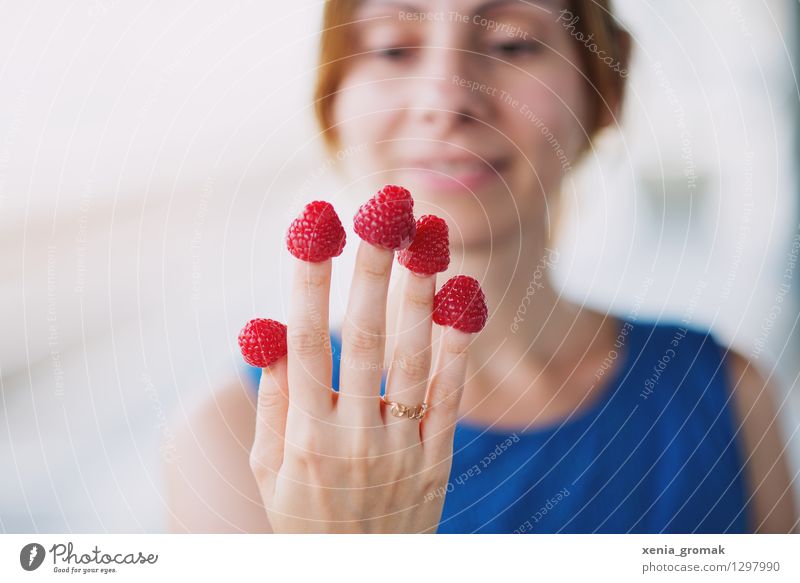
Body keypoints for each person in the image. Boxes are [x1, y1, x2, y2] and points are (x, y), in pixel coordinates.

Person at [164, 0, 798, 533]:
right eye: (392, 48)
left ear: (606, 89)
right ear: (331, 103)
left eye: (514, 44)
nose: (447, 99)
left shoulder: (728, 394)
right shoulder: (235, 439)